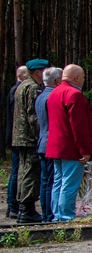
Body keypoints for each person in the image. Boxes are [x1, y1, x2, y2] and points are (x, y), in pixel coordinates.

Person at [46, 65, 92, 222]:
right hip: (71, 147)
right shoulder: (74, 94)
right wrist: (84, 149)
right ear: (76, 77)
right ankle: (65, 216)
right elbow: (79, 126)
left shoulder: (55, 92)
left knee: (58, 181)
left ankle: (57, 213)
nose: (83, 80)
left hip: (57, 145)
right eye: (82, 76)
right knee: (69, 182)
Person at [12, 58, 49, 223]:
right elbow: (34, 117)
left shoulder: (22, 86)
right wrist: (39, 136)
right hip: (29, 137)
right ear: (38, 72)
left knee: (23, 172)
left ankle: (22, 208)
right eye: (44, 71)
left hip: (20, 136)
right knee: (30, 173)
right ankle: (27, 210)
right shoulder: (33, 88)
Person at [35, 66, 63, 222]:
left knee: (46, 181)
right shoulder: (54, 96)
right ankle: (50, 214)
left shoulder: (40, 96)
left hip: (42, 141)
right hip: (52, 143)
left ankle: (46, 214)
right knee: (53, 181)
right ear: (57, 81)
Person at [6, 66, 28, 219]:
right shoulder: (18, 90)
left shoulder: (17, 89)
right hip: (18, 137)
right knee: (16, 172)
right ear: (21, 75)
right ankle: (13, 205)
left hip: (16, 136)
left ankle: (13, 205)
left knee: (17, 171)